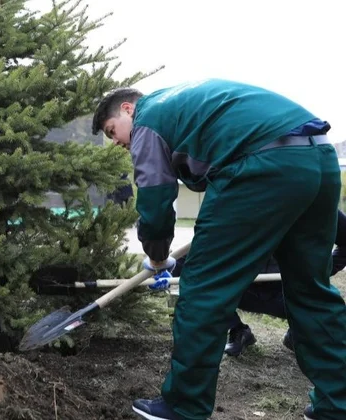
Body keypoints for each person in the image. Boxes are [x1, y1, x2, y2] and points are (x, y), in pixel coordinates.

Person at [92, 79, 346, 420]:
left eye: (112, 132)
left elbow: (154, 200)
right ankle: (338, 404)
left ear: (128, 109)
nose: (118, 143)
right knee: (310, 289)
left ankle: (184, 406)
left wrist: (156, 256)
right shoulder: (184, 102)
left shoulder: (148, 120)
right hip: (319, 158)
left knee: (203, 291)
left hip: (261, 167)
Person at [170, 209, 346, 357]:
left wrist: (321, 271)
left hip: (291, 291)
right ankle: (237, 330)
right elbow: (195, 255)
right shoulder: (237, 200)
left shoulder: (312, 196)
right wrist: (170, 269)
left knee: (330, 317)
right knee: (199, 281)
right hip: (241, 289)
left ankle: (300, 332)